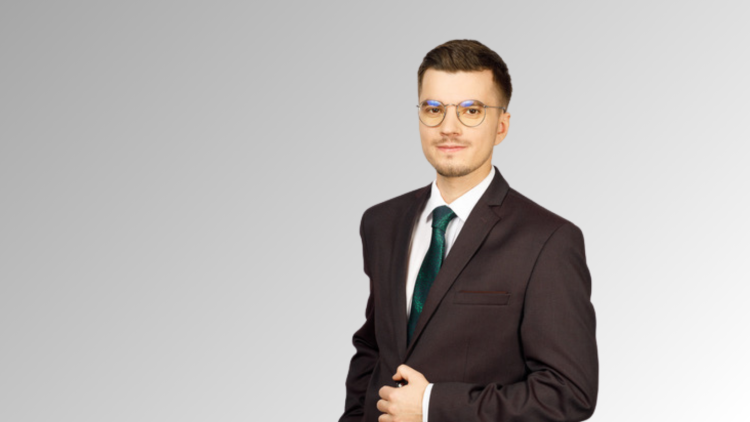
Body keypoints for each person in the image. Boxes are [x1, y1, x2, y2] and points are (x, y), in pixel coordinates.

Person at [339, 39, 598, 422]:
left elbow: (568, 393)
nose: (448, 128)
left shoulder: (548, 241)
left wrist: (431, 405)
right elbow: (373, 348)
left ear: (501, 126)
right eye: (433, 109)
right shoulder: (381, 223)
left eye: (471, 111)